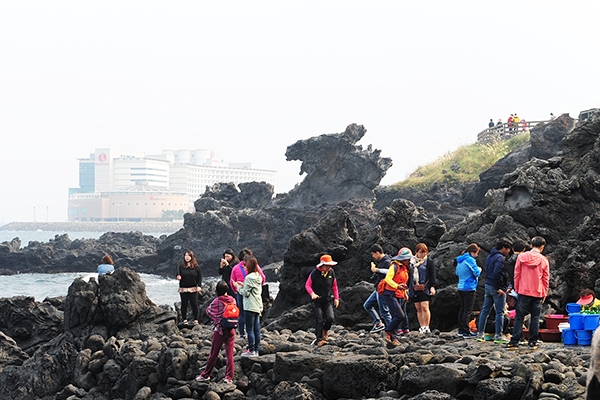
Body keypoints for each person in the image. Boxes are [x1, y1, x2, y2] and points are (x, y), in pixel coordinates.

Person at [505, 236, 550, 350]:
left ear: (531, 245)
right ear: (542, 247)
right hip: (538, 291)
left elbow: (517, 275)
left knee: (519, 316)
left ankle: (514, 341)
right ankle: (532, 341)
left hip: (523, 291)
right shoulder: (544, 260)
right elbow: (546, 279)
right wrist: (544, 293)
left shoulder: (521, 257)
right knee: (535, 317)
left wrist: (517, 289)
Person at [195, 281, 236, 382]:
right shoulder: (232, 300)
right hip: (231, 330)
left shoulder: (216, 301)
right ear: (227, 290)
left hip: (220, 330)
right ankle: (229, 377)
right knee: (229, 355)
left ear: (217, 291)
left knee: (214, 354)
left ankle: (206, 375)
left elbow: (208, 311)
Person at [477, 238, 512, 344]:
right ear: (504, 248)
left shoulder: (490, 256)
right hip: (496, 287)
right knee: (500, 312)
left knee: (485, 311)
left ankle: (480, 334)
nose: (509, 251)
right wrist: (499, 288)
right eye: (508, 249)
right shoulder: (500, 258)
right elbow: (497, 273)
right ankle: (498, 336)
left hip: (488, 285)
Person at [230, 248, 265, 338]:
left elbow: (232, 280)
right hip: (253, 294)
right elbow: (263, 278)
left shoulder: (236, 267)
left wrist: (235, 289)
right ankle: (254, 334)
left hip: (240, 292)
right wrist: (258, 286)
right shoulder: (255, 267)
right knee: (254, 314)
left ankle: (242, 334)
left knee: (241, 313)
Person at [305, 254, 340, 347]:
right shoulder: (314, 273)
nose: (329, 267)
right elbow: (307, 285)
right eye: (327, 265)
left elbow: (334, 286)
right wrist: (312, 294)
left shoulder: (331, 272)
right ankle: (319, 339)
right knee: (319, 319)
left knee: (330, 318)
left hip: (327, 300)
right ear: (322, 265)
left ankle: (325, 330)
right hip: (316, 301)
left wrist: (336, 298)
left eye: (330, 265)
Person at [233, 256, 263, 357]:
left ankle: (251, 350)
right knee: (256, 329)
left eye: (245, 264)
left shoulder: (248, 278)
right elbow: (251, 289)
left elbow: (245, 293)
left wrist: (238, 287)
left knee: (249, 329)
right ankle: (257, 351)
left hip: (249, 306)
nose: (243, 266)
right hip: (257, 305)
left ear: (249, 265)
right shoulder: (258, 276)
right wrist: (243, 285)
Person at [381, 248, 411, 344]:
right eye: (407, 258)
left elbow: (404, 282)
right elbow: (387, 279)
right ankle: (387, 331)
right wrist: (397, 286)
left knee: (396, 316)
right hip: (390, 294)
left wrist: (405, 293)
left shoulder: (405, 268)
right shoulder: (395, 266)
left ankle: (392, 338)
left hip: (399, 294)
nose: (409, 260)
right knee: (400, 315)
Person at [363, 244, 392, 333]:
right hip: (378, 288)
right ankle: (379, 324)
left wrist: (377, 270)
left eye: (373, 254)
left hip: (383, 288)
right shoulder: (382, 261)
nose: (373, 256)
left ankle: (392, 330)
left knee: (384, 311)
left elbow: (390, 273)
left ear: (378, 252)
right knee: (367, 305)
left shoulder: (387, 262)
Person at [408, 243, 436, 334]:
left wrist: (432, 286)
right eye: (421, 252)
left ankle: (427, 326)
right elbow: (409, 275)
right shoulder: (412, 262)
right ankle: (422, 326)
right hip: (414, 287)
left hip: (425, 287)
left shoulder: (429, 261)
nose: (423, 254)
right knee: (418, 308)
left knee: (425, 306)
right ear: (416, 252)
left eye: (425, 252)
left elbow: (432, 275)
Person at [455, 243, 481, 338]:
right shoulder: (470, 260)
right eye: (476, 253)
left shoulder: (460, 260)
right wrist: (479, 269)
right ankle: (466, 331)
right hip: (469, 287)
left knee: (462, 309)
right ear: (472, 252)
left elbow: (457, 272)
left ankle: (460, 330)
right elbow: (476, 273)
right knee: (468, 310)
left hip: (460, 287)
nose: (477, 255)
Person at [177, 251, 202, 325]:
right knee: (184, 304)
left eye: (188, 256)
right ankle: (184, 319)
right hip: (183, 288)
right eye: (185, 255)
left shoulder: (196, 267)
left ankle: (196, 320)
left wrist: (199, 286)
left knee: (194, 303)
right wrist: (178, 277)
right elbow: (178, 275)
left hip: (193, 288)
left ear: (191, 257)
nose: (187, 257)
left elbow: (200, 276)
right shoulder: (181, 267)